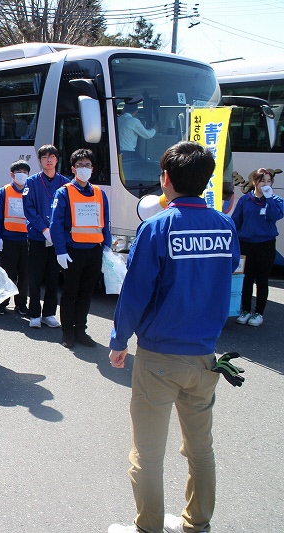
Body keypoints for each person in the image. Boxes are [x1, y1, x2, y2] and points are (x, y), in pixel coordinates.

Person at [107, 141, 240, 533]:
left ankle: (148, 527)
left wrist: (118, 341)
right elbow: (227, 269)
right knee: (200, 448)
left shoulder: (157, 227)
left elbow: (135, 293)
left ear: (165, 178)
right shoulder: (224, 225)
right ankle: (197, 523)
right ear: (206, 180)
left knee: (147, 451)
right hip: (206, 358)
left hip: (160, 356)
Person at [50, 149, 111, 348]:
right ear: (73, 168)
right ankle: (67, 331)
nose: (84, 169)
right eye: (80, 165)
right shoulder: (64, 192)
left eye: (87, 165)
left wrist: (107, 248)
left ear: (92, 169)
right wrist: (60, 250)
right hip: (72, 251)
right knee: (70, 293)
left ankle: (80, 330)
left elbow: (105, 222)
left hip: (93, 251)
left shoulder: (100, 194)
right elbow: (56, 224)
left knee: (86, 293)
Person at [231, 168, 283, 327]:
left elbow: (275, 216)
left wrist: (269, 199)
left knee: (262, 280)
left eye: (269, 181)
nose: (266, 184)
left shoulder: (275, 200)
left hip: (265, 245)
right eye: (262, 181)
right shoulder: (245, 200)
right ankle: (245, 309)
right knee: (246, 279)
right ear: (254, 182)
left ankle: (259, 313)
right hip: (247, 244)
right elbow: (235, 221)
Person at [23, 144, 68, 328]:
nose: (48, 160)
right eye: (44, 157)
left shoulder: (65, 183)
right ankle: (34, 312)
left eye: (52, 156)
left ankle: (48, 313)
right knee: (35, 276)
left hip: (57, 239)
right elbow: (29, 209)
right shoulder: (32, 182)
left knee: (53, 276)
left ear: (57, 159)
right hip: (37, 236)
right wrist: (43, 229)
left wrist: (56, 232)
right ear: (40, 160)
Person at [0, 160, 30, 316]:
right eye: (19, 172)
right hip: (7, 239)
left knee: (24, 274)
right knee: (5, 274)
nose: (22, 175)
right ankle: (2, 303)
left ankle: (21, 304)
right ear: (12, 175)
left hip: (26, 239)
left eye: (25, 172)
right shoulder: (4, 192)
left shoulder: (30, 191)